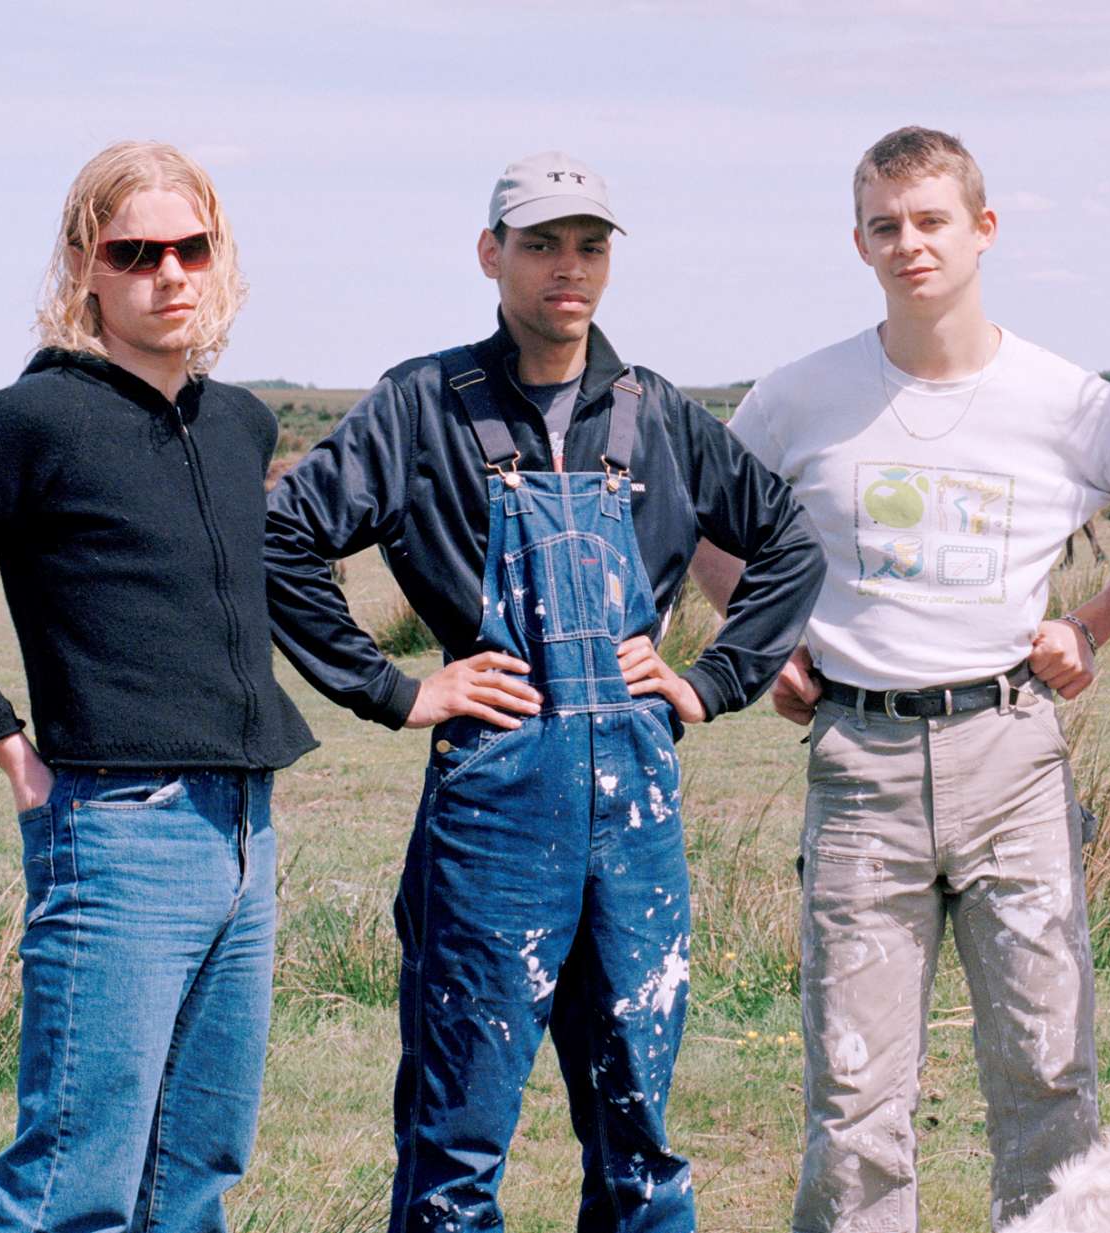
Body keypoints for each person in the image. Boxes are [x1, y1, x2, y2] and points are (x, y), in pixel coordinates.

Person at [262, 151, 824, 1232]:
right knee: (456, 1135)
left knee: (638, 1136)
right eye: (541, 244)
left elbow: (787, 544)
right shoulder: (422, 404)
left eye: (589, 244)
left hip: (636, 814)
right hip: (493, 810)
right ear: (492, 254)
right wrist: (392, 690)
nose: (568, 266)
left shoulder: (653, 413)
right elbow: (285, 537)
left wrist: (712, 680)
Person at [692, 126, 1110, 1231]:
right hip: (860, 762)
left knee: (1048, 1073)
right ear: (857, 243)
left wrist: (1091, 625)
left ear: (981, 230)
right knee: (854, 1098)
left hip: (1010, 751)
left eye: (930, 220)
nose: (909, 245)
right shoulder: (802, 396)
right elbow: (695, 518)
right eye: (884, 226)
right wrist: (764, 640)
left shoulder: (1069, 402)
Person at [0, 141, 316, 1231]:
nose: (169, 273)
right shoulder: (31, 422)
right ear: (86, 268)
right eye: (136, 251)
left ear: (218, 259)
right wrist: (9, 752)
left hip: (244, 827)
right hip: (118, 828)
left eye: (190, 248)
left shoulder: (238, 422)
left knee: (197, 1166)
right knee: (76, 1175)